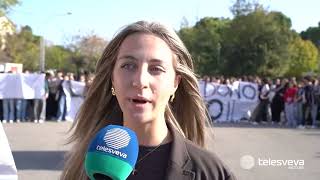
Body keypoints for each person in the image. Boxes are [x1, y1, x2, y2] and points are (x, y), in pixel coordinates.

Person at [61, 21, 236, 180]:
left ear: (175, 83)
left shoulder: (212, 173)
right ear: (112, 79)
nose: (140, 81)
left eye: (156, 69)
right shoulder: (84, 165)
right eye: (128, 65)